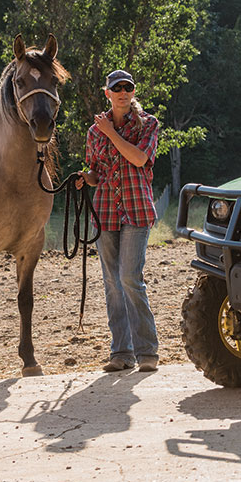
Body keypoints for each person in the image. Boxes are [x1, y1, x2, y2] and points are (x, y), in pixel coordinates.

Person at [75, 69, 161, 371]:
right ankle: (121, 353)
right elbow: (97, 173)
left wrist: (111, 132)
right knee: (112, 282)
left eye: (128, 87)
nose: (123, 92)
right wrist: (87, 178)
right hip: (106, 212)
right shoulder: (92, 132)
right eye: (117, 88)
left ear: (133, 92)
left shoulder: (148, 124)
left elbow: (138, 159)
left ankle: (147, 351)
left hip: (137, 210)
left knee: (129, 278)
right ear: (108, 93)